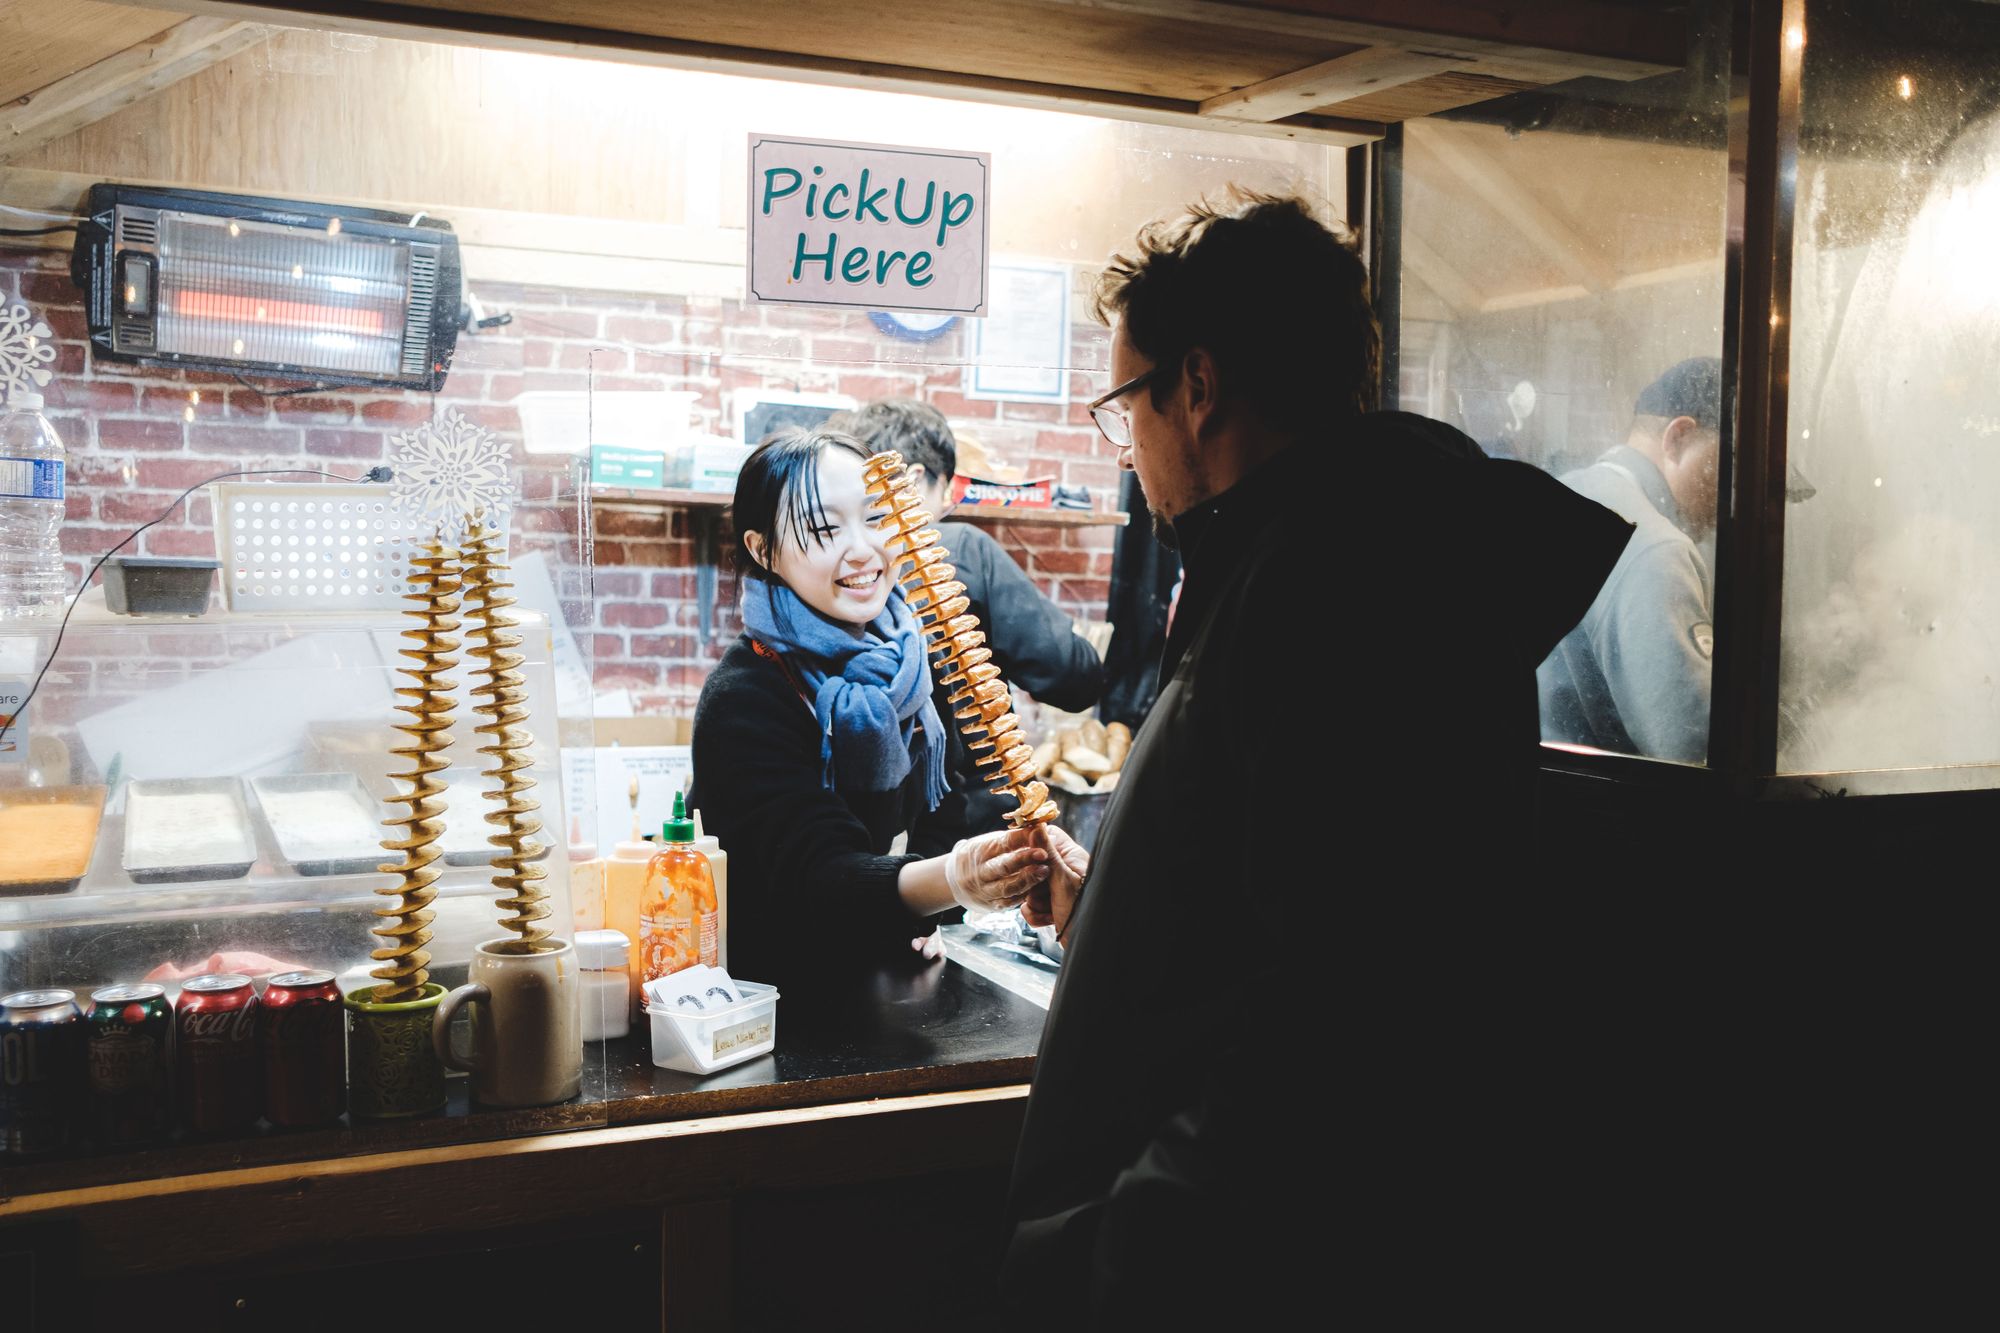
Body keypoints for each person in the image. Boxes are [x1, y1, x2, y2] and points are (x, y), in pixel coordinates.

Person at [997, 190, 1635, 1326]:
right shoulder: (1305, 554)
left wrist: (1127, 1246)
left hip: (1231, 1272)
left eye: (1122, 404)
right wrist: (1120, 910)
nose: (1126, 441)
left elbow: (1343, 1004)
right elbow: (1279, 889)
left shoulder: (1340, 588)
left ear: (1195, 388)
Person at [686, 427, 1058, 980]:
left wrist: (930, 907)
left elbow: (943, 804)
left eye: (876, 517)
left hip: (881, 977)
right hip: (766, 988)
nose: (862, 549)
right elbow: (815, 878)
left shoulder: (911, 659)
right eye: (823, 528)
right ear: (762, 550)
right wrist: (950, 881)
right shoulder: (746, 696)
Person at [835, 398, 1105, 837]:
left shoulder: (832, 567)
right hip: (964, 830)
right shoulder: (960, 547)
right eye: (949, 489)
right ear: (913, 482)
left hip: (860, 830)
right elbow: (1076, 677)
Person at [1537, 357, 1722, 763]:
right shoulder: (1656, 550)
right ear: (1679, 437)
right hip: (1588, 816)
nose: (1733, 499)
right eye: (1731, 467)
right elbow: (1694, 751)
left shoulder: (1569, 490)